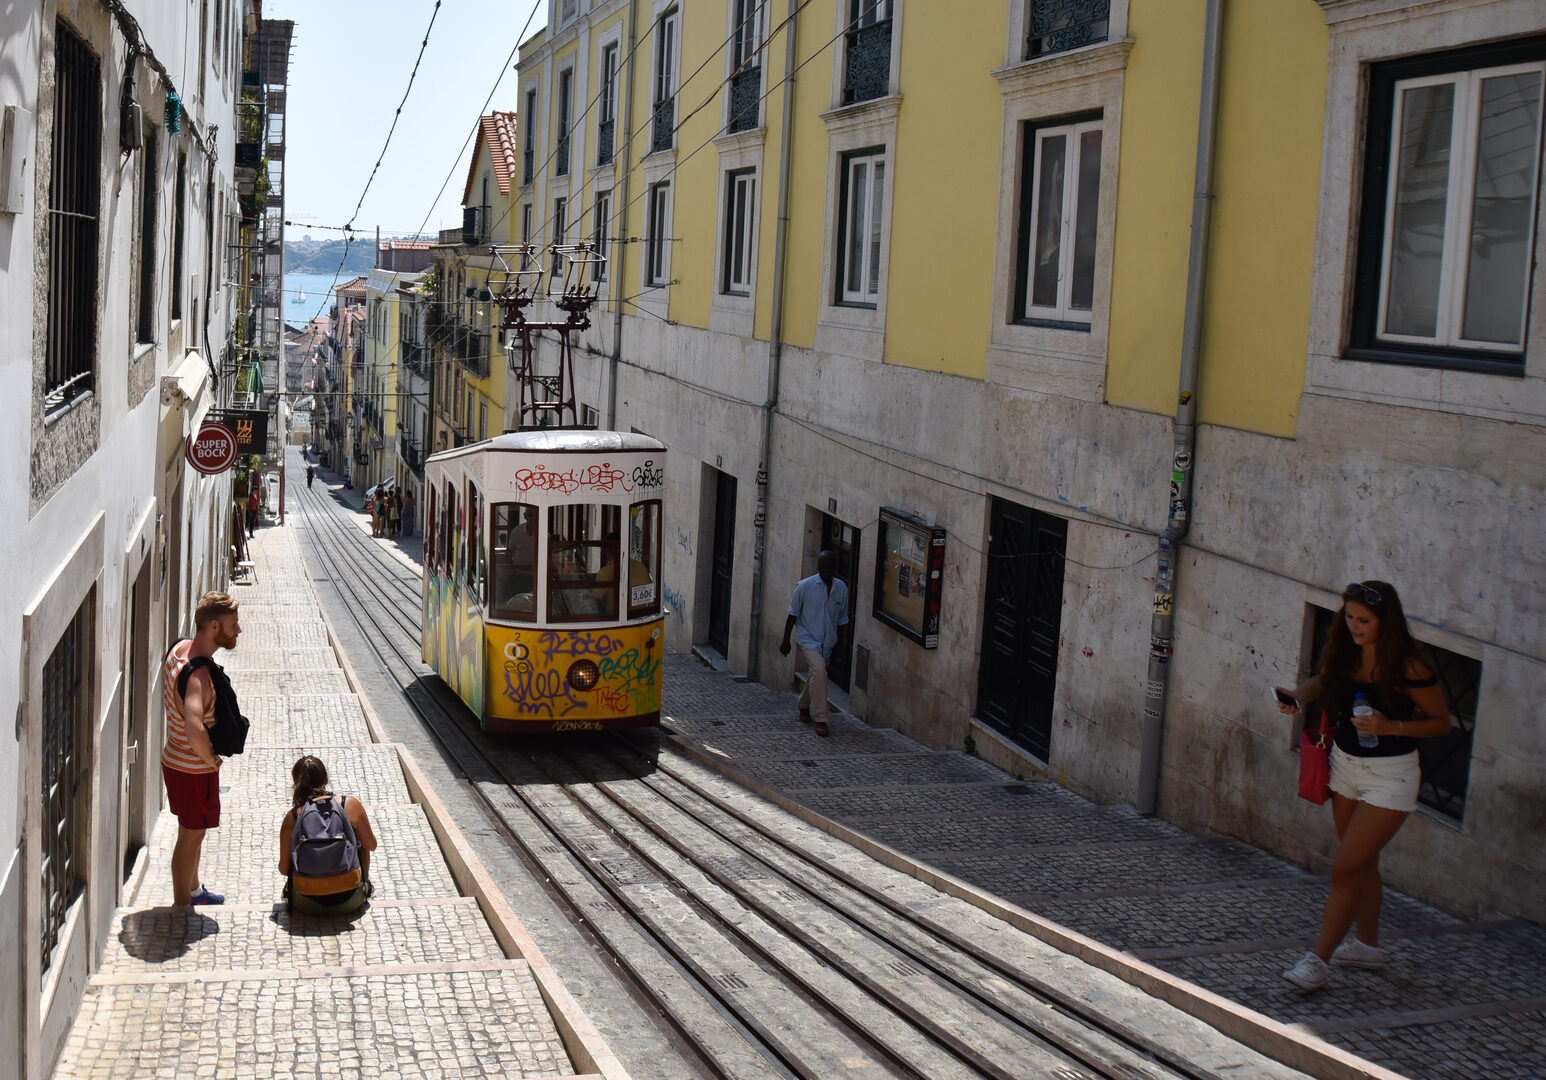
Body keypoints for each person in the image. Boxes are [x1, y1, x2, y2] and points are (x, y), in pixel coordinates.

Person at [1275, 580, 1450, 990]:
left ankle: (1318, 961)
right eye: (1350, 617)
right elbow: (1325, 682)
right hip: (1345, 767)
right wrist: (1297, 695)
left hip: (1391, 776)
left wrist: (1392, 727)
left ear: (1386, 622)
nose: (1355, 626)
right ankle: (1368, 948)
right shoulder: (1346, 652)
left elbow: (1441, 723)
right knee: (1362, 863)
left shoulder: (1411, 667)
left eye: (1365, 620)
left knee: (1346, 867)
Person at [162, 592, 243, 906]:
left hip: (174, 758)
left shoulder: (179, 649)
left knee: (192, 831)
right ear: (214, 627)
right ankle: (182, 906)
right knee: (190, 836)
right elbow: (194, 727)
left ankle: (194, 891)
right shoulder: (198, 677)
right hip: (192, 768)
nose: (238, 630)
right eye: (233, 625)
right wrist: (211, 759)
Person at [278, 755, 378, 915]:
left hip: (306, 902)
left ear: (296, 783)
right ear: (326, 778)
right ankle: (363, 887)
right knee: (360, 842)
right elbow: (371, 845)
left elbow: (284, 869)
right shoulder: (349, 805)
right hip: (350, 899)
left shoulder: (293, 817)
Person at [779, 550, 849, 737]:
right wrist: (786, 640)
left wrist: (840, 645)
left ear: (835, 568)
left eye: (829, 567)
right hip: (808, 638)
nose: (825, 571)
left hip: (828, 641)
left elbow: (842, 619)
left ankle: (803, 704)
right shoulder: (804, 586)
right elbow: (792, 614)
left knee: (817, 675)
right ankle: (821, 719)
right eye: (822, 567)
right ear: (818, 566)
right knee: (819, 670)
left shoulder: (841, 588)